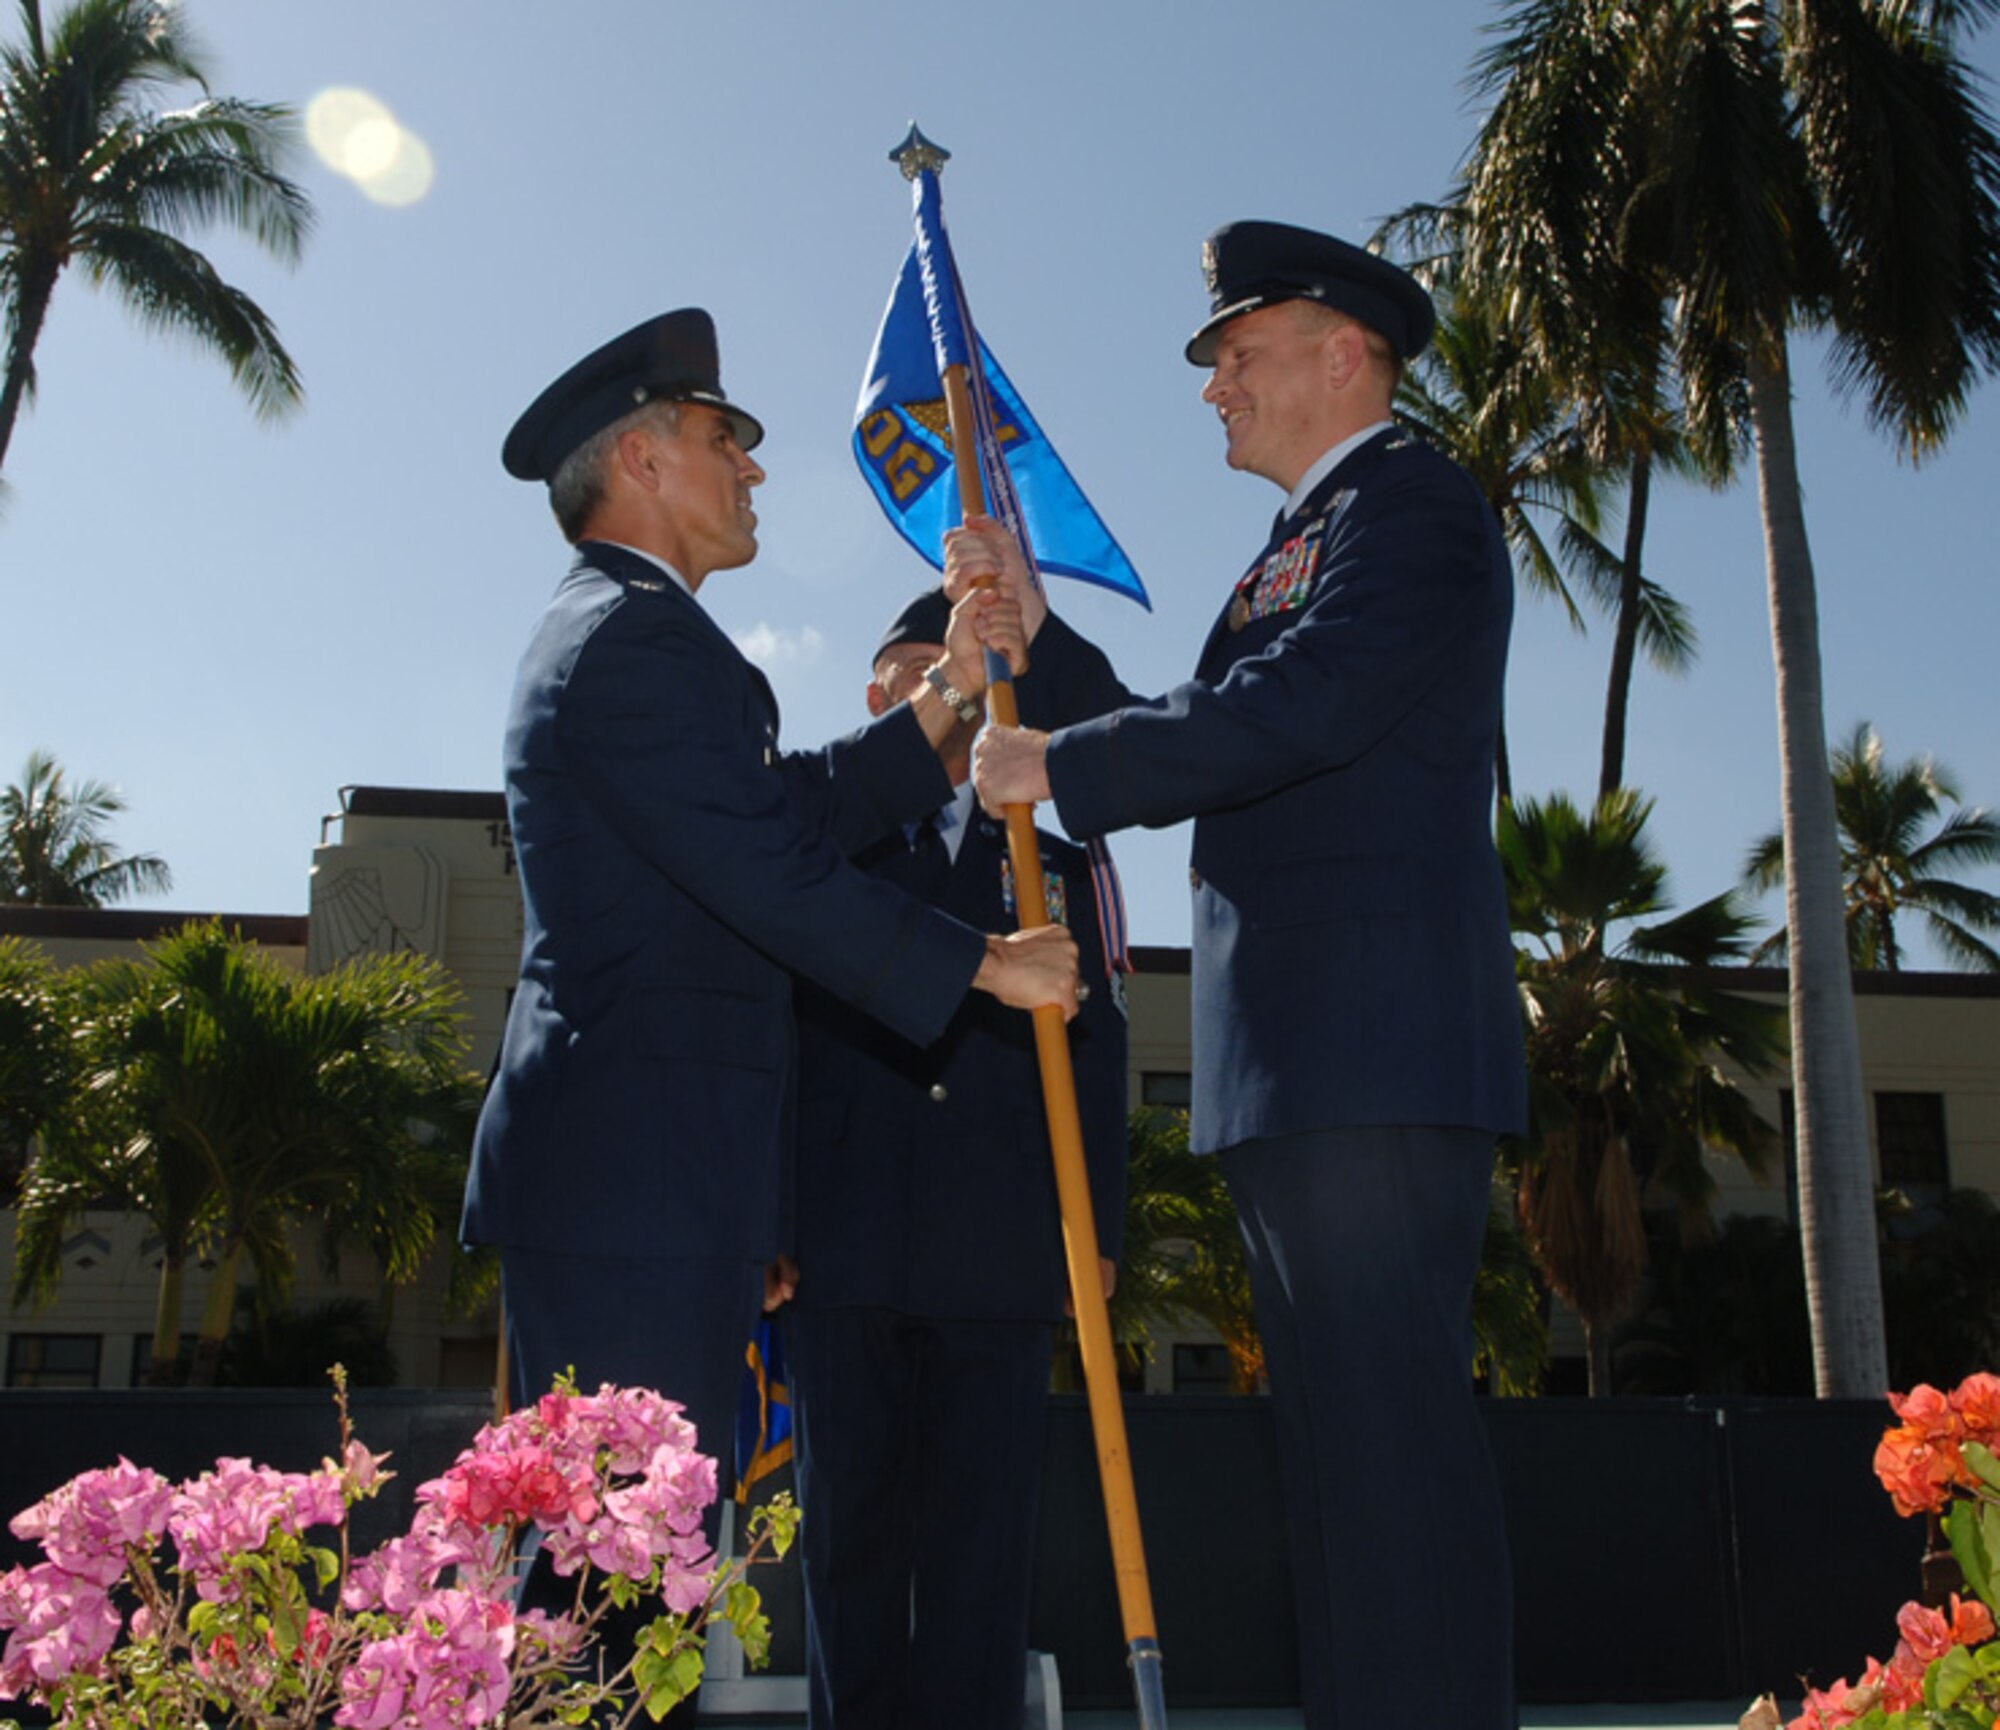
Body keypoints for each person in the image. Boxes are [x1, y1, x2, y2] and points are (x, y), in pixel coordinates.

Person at [967, 222, 1528, 1729]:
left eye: (1237, 349)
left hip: (1372, 1054)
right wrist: (1045, 643)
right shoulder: (1306, 542)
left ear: (1347, 351)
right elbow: (1224, 715)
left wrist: (1056, 757)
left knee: (1390, 1469)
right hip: (1305, 1060)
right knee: (1341, 1474)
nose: (1213, 383)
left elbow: (1305, 706)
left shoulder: (1411, 506)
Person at [460, 308, 1080, 1549]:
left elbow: (789, 808)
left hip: (659, 1188)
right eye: (719, 436)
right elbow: (770, 869)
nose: (750, 466)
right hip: (630, 1192)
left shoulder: (640, 636)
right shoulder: (628, 640)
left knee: (635, 1587)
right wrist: (983, 964)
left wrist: (954, 684)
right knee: (616, 1590)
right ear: (639, 460)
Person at [782, 586, 1129, 1730]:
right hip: (845, 1245)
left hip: (1001, 1249)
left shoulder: (1053, 858)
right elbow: (776, 1037)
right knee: (852, 1554)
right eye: (928, 672)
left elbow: (1097, 1053)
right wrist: (769, 1220)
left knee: (985, 1560)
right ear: (880, 695)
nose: (957, 691)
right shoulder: (818, 852)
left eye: (974, 671)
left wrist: (1101, 1240)